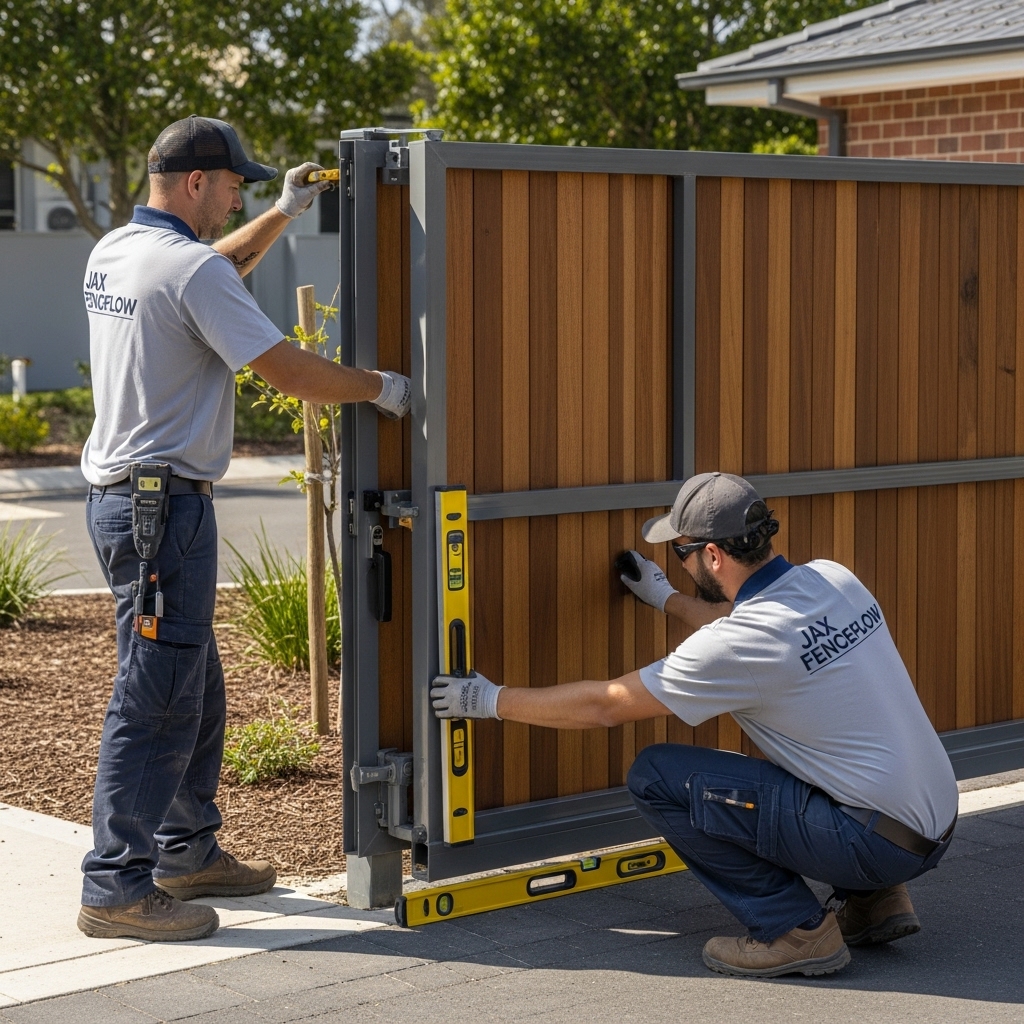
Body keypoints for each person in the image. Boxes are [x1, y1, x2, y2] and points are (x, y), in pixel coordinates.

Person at [77, 115, 411, 942]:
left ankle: (187, 849)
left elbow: (209, 274)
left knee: (193, 681)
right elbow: (286, 368)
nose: (236, 199)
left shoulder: (119, 250)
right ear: (196, 183)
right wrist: (383, 389)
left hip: (131, 504)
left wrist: (285, 215)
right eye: (234, 186)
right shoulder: (187, 268)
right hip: (162, 507)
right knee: (155, 697)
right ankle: (115, 886)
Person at [431, 471, 958, 979]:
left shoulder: (739, 645)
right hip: (933, 826)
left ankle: (794, 930)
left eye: (680, 553)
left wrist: (487, 698)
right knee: (822, 756)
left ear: (712, 554)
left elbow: (606, 705)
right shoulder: (832, 577)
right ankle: (875, 902)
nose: (679, 563)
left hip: (870, 842)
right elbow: (746, 626)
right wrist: (663, 597)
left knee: (657, 774)